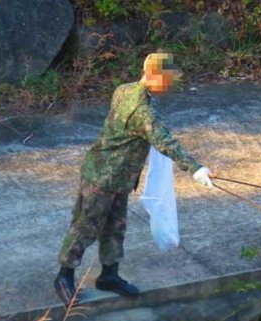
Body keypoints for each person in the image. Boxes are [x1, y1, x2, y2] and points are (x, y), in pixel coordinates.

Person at [54, 52, 213, 306]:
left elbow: (155, 131)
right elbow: (164, 140)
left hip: (118, 176)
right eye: (168, 79)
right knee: (86, 226)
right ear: (153, 76)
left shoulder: (124, 90)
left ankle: (109, 275)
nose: (171, 84)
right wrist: (195, 168)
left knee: (115, 226)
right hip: (102, 176)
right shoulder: (143, 111)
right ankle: (64, 275)